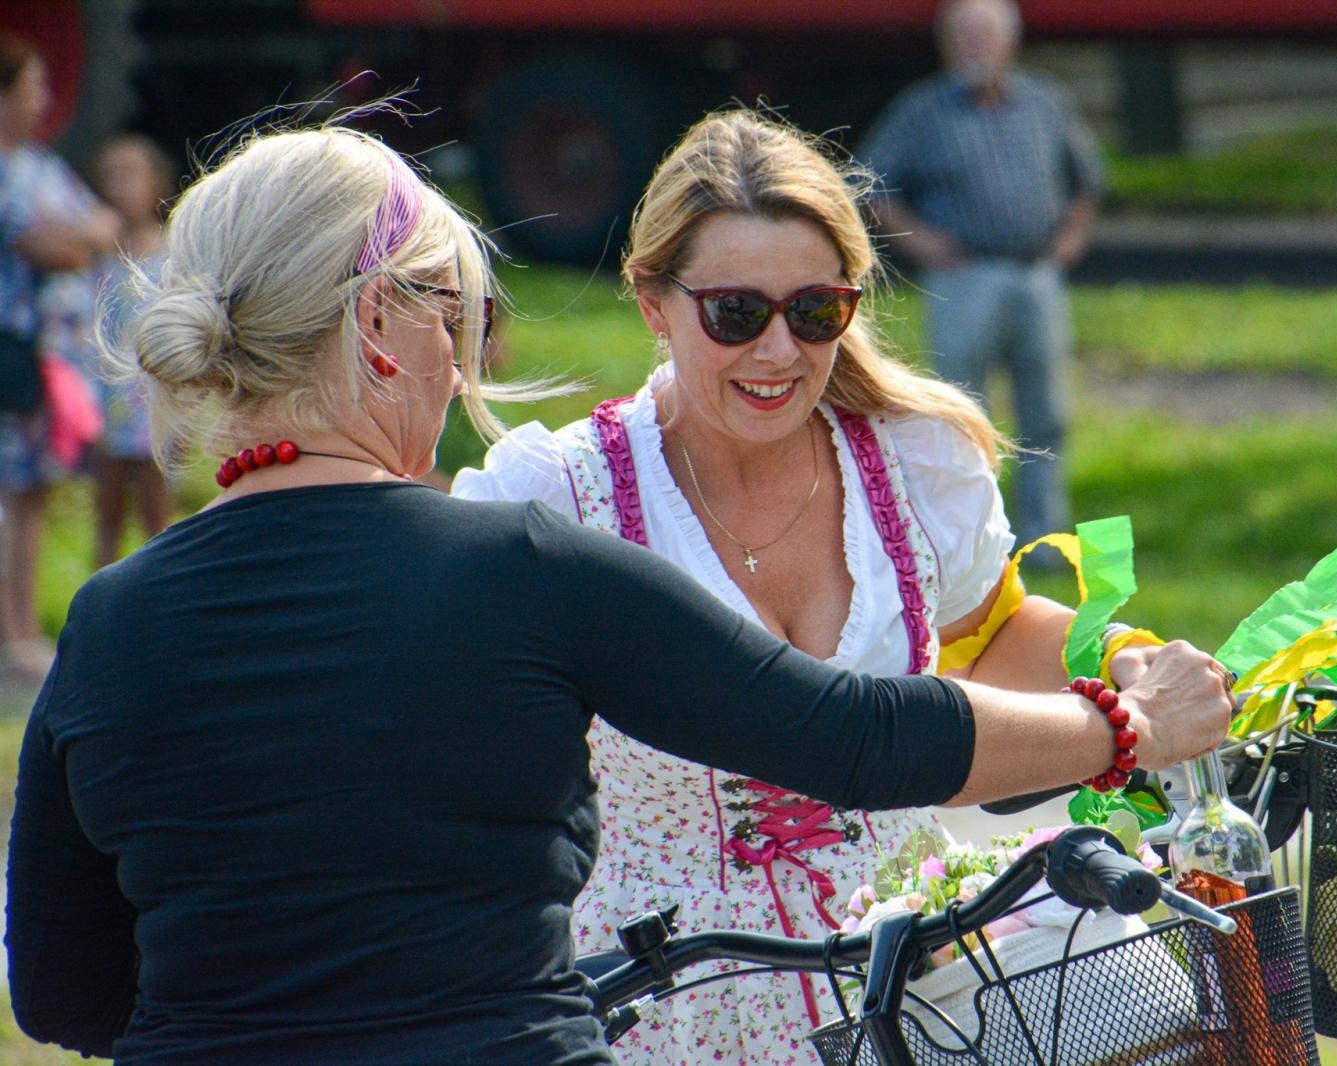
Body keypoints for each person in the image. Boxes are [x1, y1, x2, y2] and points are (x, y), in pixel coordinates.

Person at [4, 121, 1234, 1064]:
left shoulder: (111, 616)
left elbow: (56, 988)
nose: (465, 355)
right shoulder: (517, 563)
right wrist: (1119, 729)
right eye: (461, 314)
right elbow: (849, 736)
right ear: (380, 324)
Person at [454, 108, 1155, 1064]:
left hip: (907, 962)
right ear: (653, 300)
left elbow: (985, 635)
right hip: (673, 989)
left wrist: (1130, 664)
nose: (780, 352)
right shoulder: (557, 501)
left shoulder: (914, 459)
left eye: (816, 311)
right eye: (736, 314)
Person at [859, 0, 1104, 558]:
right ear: (945, 45)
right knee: (963, 416)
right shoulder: (922, 110)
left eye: (985, 36)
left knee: (1044, 415)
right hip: (964, 278)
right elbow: (869, 182)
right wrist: (919, 239)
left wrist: (1070, 240)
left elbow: (1087, 179)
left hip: (1036, 275)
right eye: (963, 37)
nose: (975, 48)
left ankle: (1043, 543)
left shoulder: (1045, 102)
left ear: (1010, 42)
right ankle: (976, 545)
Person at [0, 33, 121, 685]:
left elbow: (97, 227)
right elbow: (57, 245)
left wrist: (76, 239)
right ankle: (8, 633)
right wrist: (80, 240)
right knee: (10, 491)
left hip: (43, 358)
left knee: (31, 491)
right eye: (29, 87)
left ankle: (20, 629)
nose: (42, 98)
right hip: (10, 349)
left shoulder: (39, 167)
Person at [90, 133, 176, 567]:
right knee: (106, 510)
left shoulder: (172, 252)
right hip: (105, 400)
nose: (118, 187)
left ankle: (162, 595)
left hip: (152, 401)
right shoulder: (97, 251)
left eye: (130, 175)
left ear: (157, 184)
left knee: (154, 508)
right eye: (111, 176)